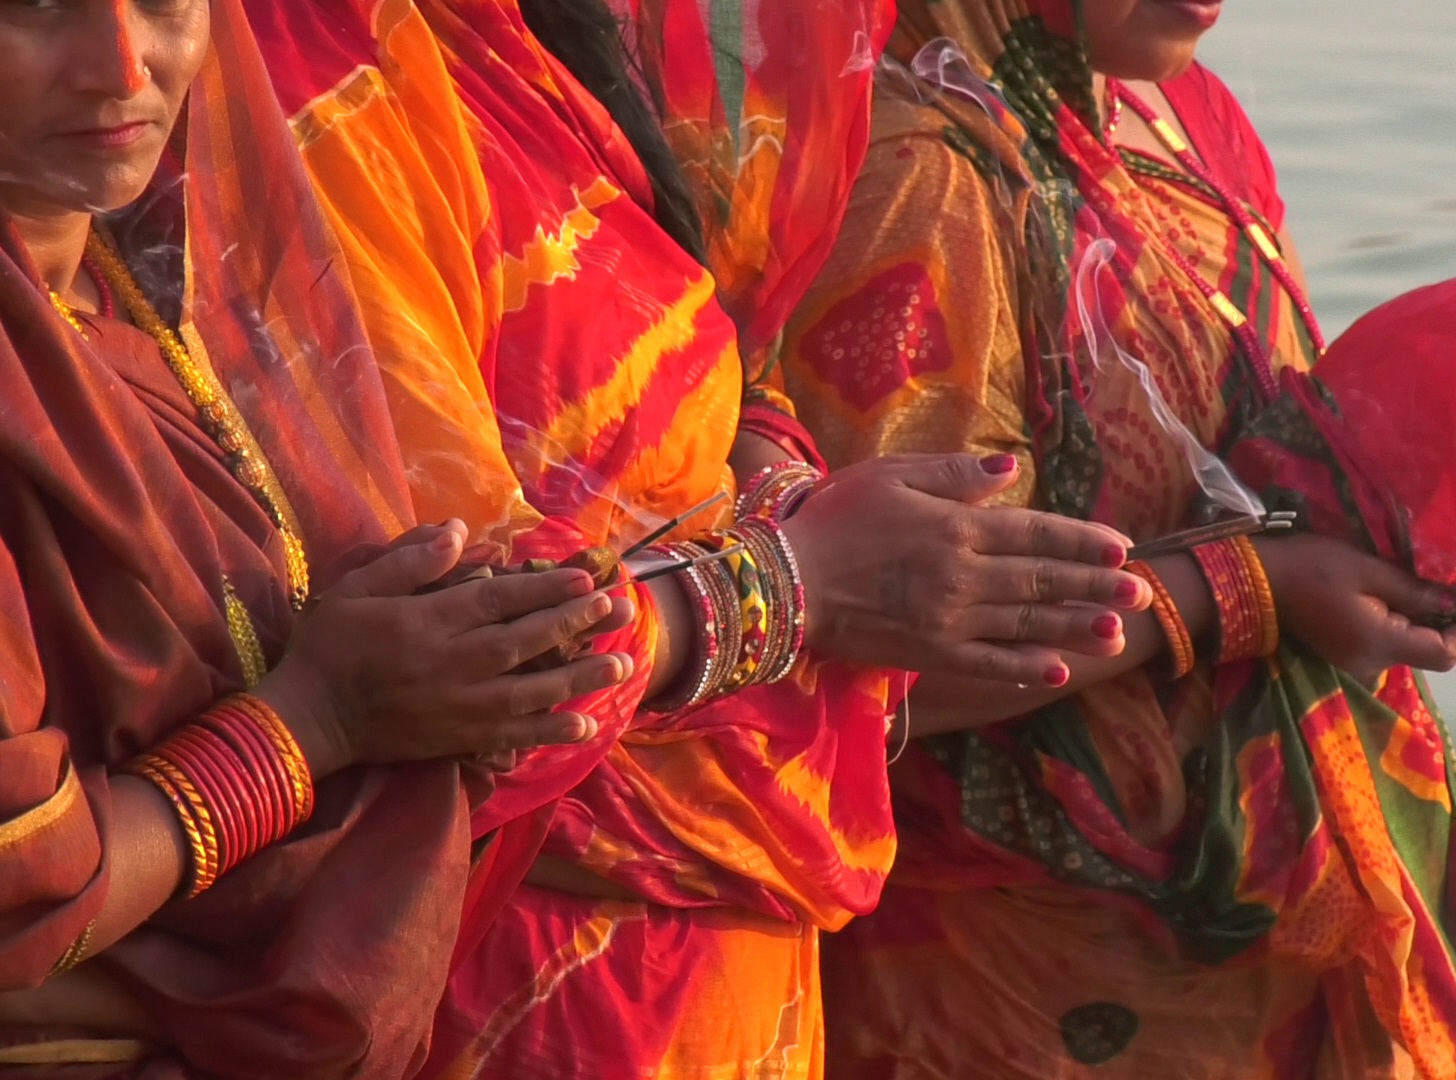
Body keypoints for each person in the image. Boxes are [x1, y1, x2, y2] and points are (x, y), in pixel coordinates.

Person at [244, 1, 1150, 1074]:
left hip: (724, 947)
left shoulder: (518, 45)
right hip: (532, 952)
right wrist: (796, 581)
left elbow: (691, 360)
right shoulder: (322, 80)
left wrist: (781, 482)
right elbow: (456, 663)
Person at [780, 0, 1456, 1075]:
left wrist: (1404, 521)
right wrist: (1247, 589)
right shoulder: (911, 174)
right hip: (1015, 987)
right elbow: (857, 669)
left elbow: (1239, 485)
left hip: (1248, 970)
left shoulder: (1173, 115)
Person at [0, 0, 647, 1073]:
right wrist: (316, 723)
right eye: (34, 11)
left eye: (163, 2)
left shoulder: (161, 298)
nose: (122, 65)